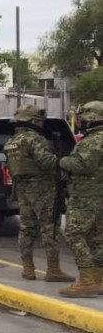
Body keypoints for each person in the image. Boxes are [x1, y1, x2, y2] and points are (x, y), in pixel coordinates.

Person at [3, 105, 72, 282]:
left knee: (26, 228)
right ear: (32, 121)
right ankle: (53, 269)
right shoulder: (35, 139)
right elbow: (47, 163)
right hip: (42, 188)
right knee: (50, 228)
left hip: (22, 188)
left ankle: (28, 268)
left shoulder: (11, 142)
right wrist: (61, 160)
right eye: (39, 121)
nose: (41, 124)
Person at [57, 100, 103, 296]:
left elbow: (82, 165)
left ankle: (87, 280)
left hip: (86, 195)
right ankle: (99, 279)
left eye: (83, 118)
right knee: (97, 237)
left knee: (73, 234)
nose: (82, 121)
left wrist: (62, 160)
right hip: (97, 194)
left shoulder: (94, 140)